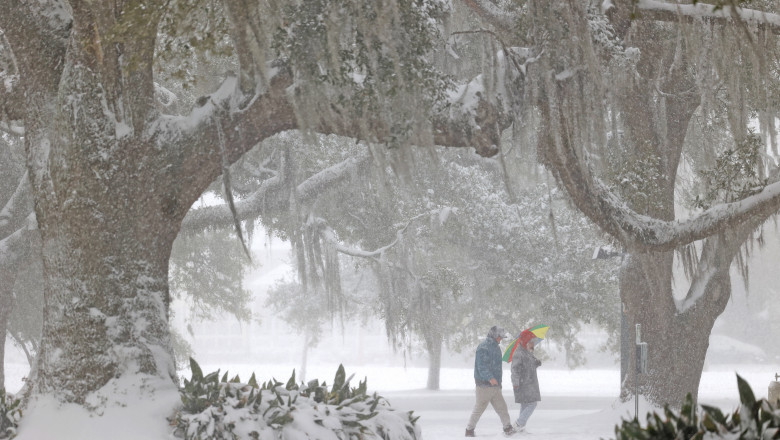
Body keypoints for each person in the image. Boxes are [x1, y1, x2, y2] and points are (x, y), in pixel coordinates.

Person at [465, 326, 518, 437]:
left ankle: (507, 428)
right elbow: (481, 366)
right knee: (479, 408)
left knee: (502, 407)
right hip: (484, 386)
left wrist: (498, 382)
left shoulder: (496, 347)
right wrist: (490, 378)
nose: (501, 340)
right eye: (500, 337)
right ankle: (469, 430)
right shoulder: (483, 347)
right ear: (494, 336)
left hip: (495, 386)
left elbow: (496, 367)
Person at [510, 330, 542, 432]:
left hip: (529, 383)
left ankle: (520, 429)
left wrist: (536, 363)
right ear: (526, 342)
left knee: (525, 404)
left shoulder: (527, 352)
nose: (533, 344)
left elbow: (528, 366)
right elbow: (515, 369)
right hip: (523, 384)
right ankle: (518, 424)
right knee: (532, 404)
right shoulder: (519, 353)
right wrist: (515, 382)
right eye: (532, 342)